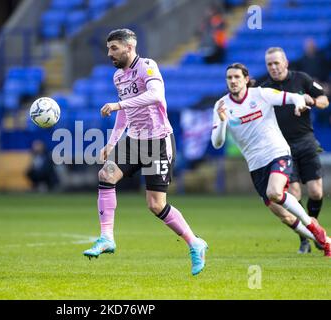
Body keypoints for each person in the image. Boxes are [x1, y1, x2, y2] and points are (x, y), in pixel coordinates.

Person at [82, 29, 208, 276]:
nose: (110, 54)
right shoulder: (119, 77)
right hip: (134, 139)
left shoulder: (148, 67)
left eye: (114, 48)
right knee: (106, 175)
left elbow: (155, 96)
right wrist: (111, 142)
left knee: (155, 204)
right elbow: (123, 115)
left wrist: (119, 103)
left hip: (158, 141)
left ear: (129, 47)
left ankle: (195, 243)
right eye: (108, 49)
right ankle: (107, 237)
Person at [211, 63, 330, 257]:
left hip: (277, 152)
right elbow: (217, 143)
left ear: (246, 79)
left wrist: (300, 102)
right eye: (229, 78)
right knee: (284, 215)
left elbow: (291, 97)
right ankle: (325, 241)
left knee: (275, 192)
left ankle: (314, 227)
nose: (233, 81)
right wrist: (223, 121)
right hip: (256, 164)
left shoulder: (261, 94)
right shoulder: (221, 106)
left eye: (237, 77)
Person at [261, 47, 329, 253]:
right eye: (269, 64)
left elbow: (324, 100)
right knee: (294, 193)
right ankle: (305, 239)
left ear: (286, 62)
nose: (273, 67)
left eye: (276, 63)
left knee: (317, 192)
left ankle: (313, 228)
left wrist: (313, 101)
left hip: (306, 141)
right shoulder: (265, 90)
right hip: (282, 148)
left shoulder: (302, 79)